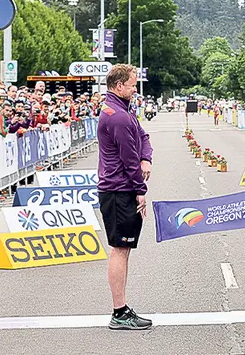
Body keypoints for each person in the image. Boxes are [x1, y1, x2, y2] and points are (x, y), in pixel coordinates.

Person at [97, 64, 153, 331]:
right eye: (132, 85)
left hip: (120, 187)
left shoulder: (123, 111)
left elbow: (143, 137)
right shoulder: (117, 116)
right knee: (120, 249)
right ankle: (119, 311)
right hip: (118, 190)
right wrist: (140, 189)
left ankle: (121, 309)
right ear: (118, 86)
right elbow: (128, 158)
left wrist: (147, 158)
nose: (135, 89)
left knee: (124, 249)